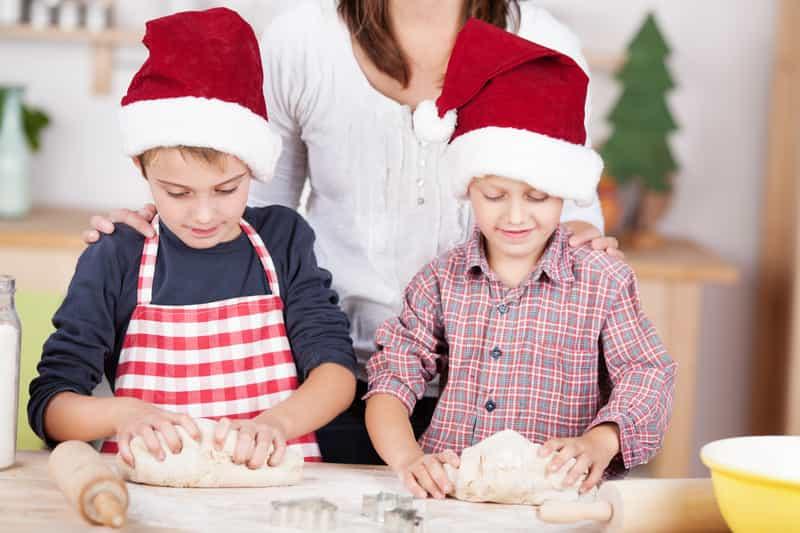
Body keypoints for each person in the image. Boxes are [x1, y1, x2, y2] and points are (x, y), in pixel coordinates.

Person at [82, 0, 621, 464]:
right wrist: (164, 220)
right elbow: (250, 204)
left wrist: (582, 238)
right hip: (333, 378)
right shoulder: (304, 39)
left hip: (504, 392)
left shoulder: (546, 45)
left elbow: (571, 208)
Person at [28, 8, 356, 469]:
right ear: (141, 168)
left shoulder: (281, 240)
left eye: (227, 189)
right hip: (147, 498)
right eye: (176, 192)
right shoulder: (118, 253)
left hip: (274, 497)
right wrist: (126, 415)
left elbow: (336, 372)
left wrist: (276, 424)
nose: (204, 214)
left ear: (253, 169)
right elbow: (51, 407)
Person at [364, 19, 677, 498]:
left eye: (536, 197)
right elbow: (392, 376)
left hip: (558, 498)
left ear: (564, 195)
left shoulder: (602, 279)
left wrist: (601, 440)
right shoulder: (439, 281)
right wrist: (408, 458)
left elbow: (647, 373)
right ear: (469, 188)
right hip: (453, 497)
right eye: (494, 194)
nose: (514, 216)